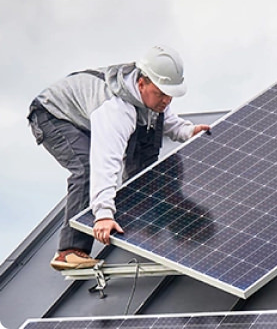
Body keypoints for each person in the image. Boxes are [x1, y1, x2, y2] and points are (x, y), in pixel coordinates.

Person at [27, 45, 211, 270]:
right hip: (53, 115)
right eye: (161, 93)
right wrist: (103, 214)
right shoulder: (116, 110)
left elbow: (166, 119)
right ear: (142, 83)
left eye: (170, 95)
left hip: (87, 114)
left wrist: (188, 131)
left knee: (148, 148)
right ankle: (70, 251)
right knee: (85, 168)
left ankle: (138, 218)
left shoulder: (147, 95)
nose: (166, 100)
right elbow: (105, 163)